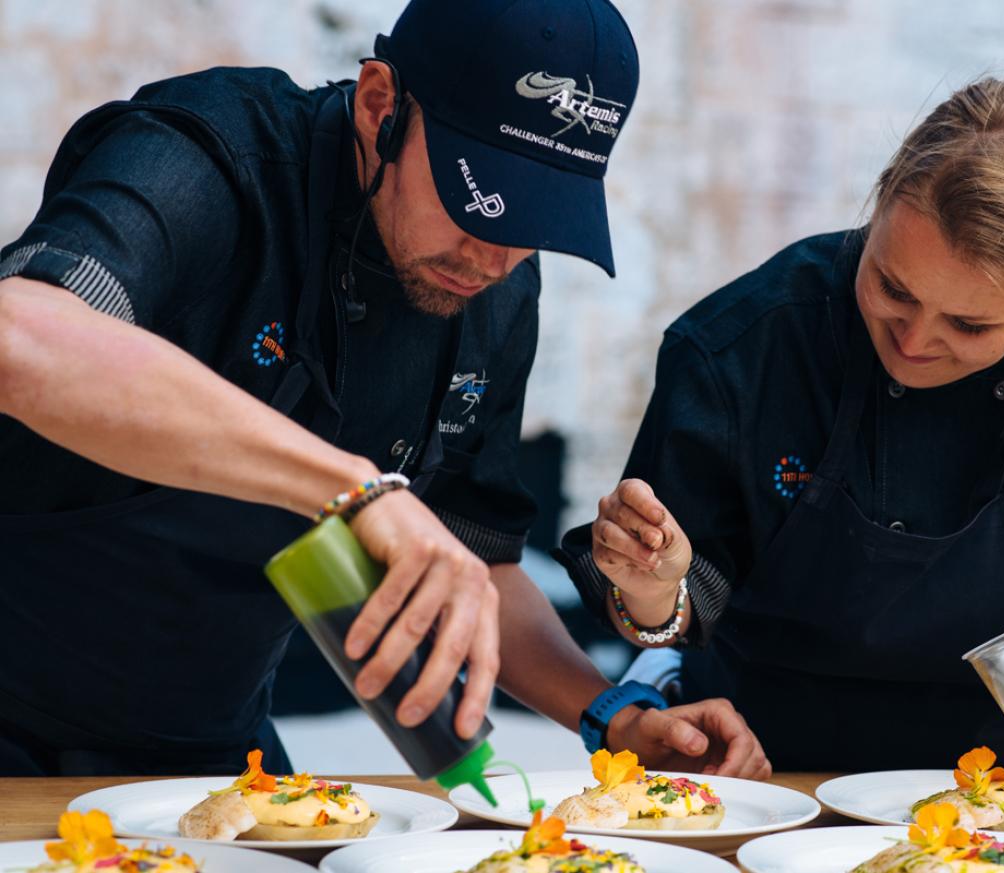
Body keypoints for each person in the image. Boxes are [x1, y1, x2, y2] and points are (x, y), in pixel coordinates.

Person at [0, 0, 766, 779]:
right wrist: (356, 490)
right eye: (479, 197)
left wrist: (615, 716)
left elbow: (479, 565)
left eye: (535, 215)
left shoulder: (493, 292)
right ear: (380, 105)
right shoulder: (212, 155)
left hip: (210, 756)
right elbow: (18, 337)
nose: (495, 256)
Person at [555, 78, 1004, 772]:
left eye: (969, 323)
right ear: (878, 208)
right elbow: (668, 600)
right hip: (754, 767)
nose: (914, 340)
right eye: (891, 288)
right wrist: (652, 586)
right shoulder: (743, 343)